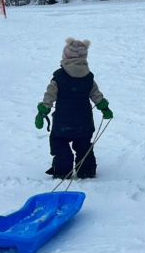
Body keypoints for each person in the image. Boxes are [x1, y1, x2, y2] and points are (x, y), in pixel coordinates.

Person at [35, 37, 113, 179]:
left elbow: (49, 95)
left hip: (63, 122)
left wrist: (42, 111)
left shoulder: (59, 76)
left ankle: (62, 171)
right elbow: (96, 95)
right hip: (84, 122)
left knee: (60, 145)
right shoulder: (88, 77)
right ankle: (86, 170)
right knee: (84, 146)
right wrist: (104, 108)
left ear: (65, 56)